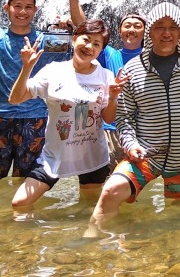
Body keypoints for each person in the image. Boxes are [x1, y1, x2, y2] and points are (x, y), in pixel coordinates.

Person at [87, 3, 180, 234]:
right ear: (150, 32)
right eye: (159, 27)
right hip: (147, 153)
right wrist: (130, 144)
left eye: (172, 27)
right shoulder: (132, 69)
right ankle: (93, 241)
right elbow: (124, 117)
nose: (166, 33)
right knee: (110, 191)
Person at [8, 19, 126, 209]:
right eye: (86, 40)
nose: (89, 47)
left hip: (93, 157)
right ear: (74, 39)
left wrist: (112, 97)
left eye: (96, 44)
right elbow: (15, 99)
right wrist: (27, 67)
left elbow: (109, 118)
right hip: (56, 155)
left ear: (101, 50)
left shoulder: (105, 76)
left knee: (87, 208)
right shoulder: (54, 71)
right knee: (20, 203)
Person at [0, 0, 71, 181]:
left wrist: (71, 27)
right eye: (17, 6)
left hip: (34, 117)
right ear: (6, 8)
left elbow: (89, 40)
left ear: (35, 10)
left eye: (29, 7)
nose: (23, 11)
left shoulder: (47, 41)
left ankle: (20, 213)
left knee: (27, 180)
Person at [66, 0, 143, 170]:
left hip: (142, 131)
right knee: (106, 185)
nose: (131, 29)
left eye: (137, 25)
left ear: (145, 32)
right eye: (127, 25)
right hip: (110, 130)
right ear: (120, 30)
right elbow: (83, 27)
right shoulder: (109, 54)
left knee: (139, 189)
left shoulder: (151, 58)